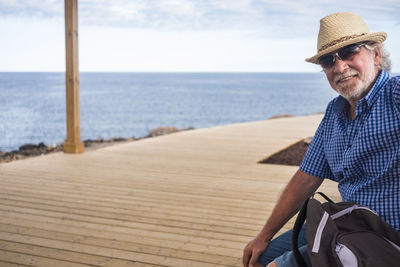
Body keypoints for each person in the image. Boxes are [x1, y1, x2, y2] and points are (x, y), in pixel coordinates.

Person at [242, 11, 400, 267]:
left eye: (350, 52)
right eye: (328, 60)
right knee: (260, 257)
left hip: (384, 236)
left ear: (376, 54)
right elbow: (307, 177)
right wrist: (264, 235)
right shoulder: (335, 111)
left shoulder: (395, 96)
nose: (340, 67)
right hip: (346, 220)